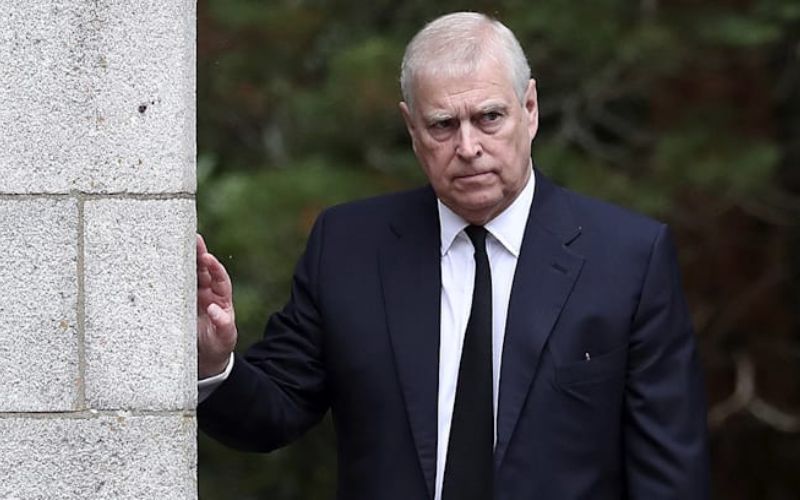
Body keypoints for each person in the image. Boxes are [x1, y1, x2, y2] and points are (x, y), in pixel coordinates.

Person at [197, 11, 709, 500]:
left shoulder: (627, 259)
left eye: (489, 118)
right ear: (412, 129)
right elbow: (272, 413)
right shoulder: (349, 248)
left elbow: (670, 478)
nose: (468, 146)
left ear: (530, 109)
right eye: (443, 125)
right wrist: (213, 361)